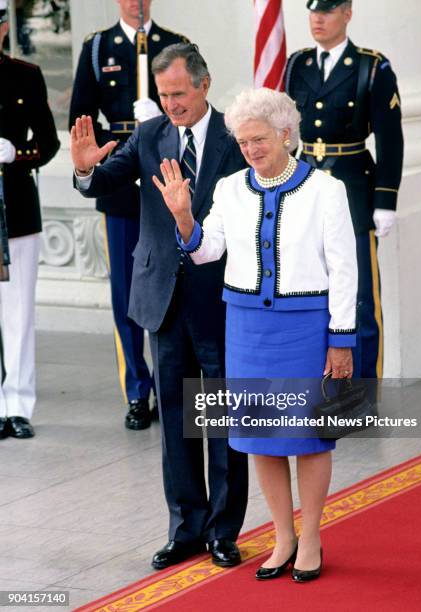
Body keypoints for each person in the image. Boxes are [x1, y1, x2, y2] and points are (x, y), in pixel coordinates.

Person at [155, 87, 357, 582]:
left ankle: (310, 536)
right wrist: (184, 216)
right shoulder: (227, 189)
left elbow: (345, 269)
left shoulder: (326, 189)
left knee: (309, 439)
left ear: (286, 134)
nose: (250, 149)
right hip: (246, 327)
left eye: (260, 139)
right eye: (243, 142)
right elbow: (206, 250)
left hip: (306, 329)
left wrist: (341, 339)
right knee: (259, 439)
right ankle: (281, 536)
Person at [71, 43, 248, 570]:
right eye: (163, 94)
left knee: (218, 419)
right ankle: (185, 528)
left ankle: (222, 529)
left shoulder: (234, 140)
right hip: (163, 298)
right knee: (174, 420)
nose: (170, 103)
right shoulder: (148, 136)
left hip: (217, 297)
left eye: (179, 93)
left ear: (204, 84)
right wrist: (84, 172)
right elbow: (103, 179)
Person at [69, 0, 190, 430]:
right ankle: (138, 390)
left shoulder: (174, 45)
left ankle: (172, 384)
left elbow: (191, 115)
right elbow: (81, 120)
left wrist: (160, 124)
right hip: (120, 180)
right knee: (126, 291)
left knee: (176, 283)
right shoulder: (99, 48)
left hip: (168, 179)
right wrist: (116, 153)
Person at [285, 0, 403, 379]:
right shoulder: (297, 64)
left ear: (347, 13)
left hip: (353, 189)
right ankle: (322, 384)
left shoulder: (372, 66)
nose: (317, 19)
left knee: (360, 299)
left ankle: (362, 394)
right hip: (306, 188)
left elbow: (390, 139)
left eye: (328, 11)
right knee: (312, 292)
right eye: (313, 12)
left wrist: (385, 199)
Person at [0, 0, 60, 439]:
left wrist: (16, 157)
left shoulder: (25, 75)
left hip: (16, 207)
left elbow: (49, 142)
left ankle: (17, 405)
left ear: (4, 28)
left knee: (18, 311)